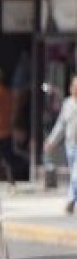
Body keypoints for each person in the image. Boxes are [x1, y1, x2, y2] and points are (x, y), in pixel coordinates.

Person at [43, 77, 77, 213]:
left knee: (76, 174)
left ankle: (71, 200)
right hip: (70, 145)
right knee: (74, 173)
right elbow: (61, 125)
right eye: (73, 86)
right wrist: (51, 141)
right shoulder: (68, 104)